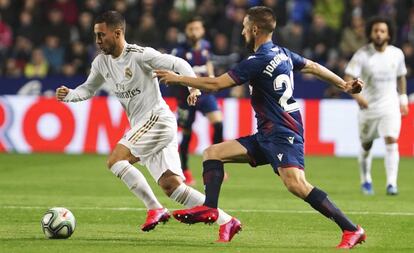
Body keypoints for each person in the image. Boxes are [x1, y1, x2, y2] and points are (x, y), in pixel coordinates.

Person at [156, 6, 366, 249]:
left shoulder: (256, 61)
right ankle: (211, 209)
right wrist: (344, 85)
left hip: (282, 132)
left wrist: (179, 78)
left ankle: (352, 229)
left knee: (296, 185)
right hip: (267, 133)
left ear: (254, 29)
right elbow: (313, 67)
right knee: (212, 153)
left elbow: (215, 84)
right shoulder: (283, 53)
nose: (243, 31)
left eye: (245, 27)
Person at [55, 10, 241, 242]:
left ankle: (154, 208)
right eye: (96, 35)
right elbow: (88, 89)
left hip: (157, 119)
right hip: (146, 125)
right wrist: (70, 95)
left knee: (116, 160)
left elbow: (179, 63)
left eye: (101, 35)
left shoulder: (140, 55)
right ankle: (228, 220)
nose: (98, 41)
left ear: (118, 33)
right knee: (172, 187)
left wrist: (193, 88)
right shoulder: (101, 63)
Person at [344, 16, 408, 196]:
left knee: (391, 140)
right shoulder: (362, 54)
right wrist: (358, 98)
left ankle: (391, 184)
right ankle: (366, 180)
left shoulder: (397, 54)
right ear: (371, 33)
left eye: (382, 31)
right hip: (368, 107)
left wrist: (402, 99)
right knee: (366, 145)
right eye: (376, 31)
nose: (379, 34)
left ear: (388, 34)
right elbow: (348, 76)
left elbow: (401, 76)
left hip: (390, 105)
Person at [170, 16, 224, 185]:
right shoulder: (179, 52)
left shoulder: (206, 46)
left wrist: (212, 76)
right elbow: (175, 75)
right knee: (186, 135)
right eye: (191, 29)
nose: (194, 32)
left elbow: (208, 63)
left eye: (197, 28)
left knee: (218, 124)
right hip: (186, 98)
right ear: (186, 31)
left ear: (202, 30)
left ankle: (216, 165)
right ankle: (184, 169)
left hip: (205, 95)